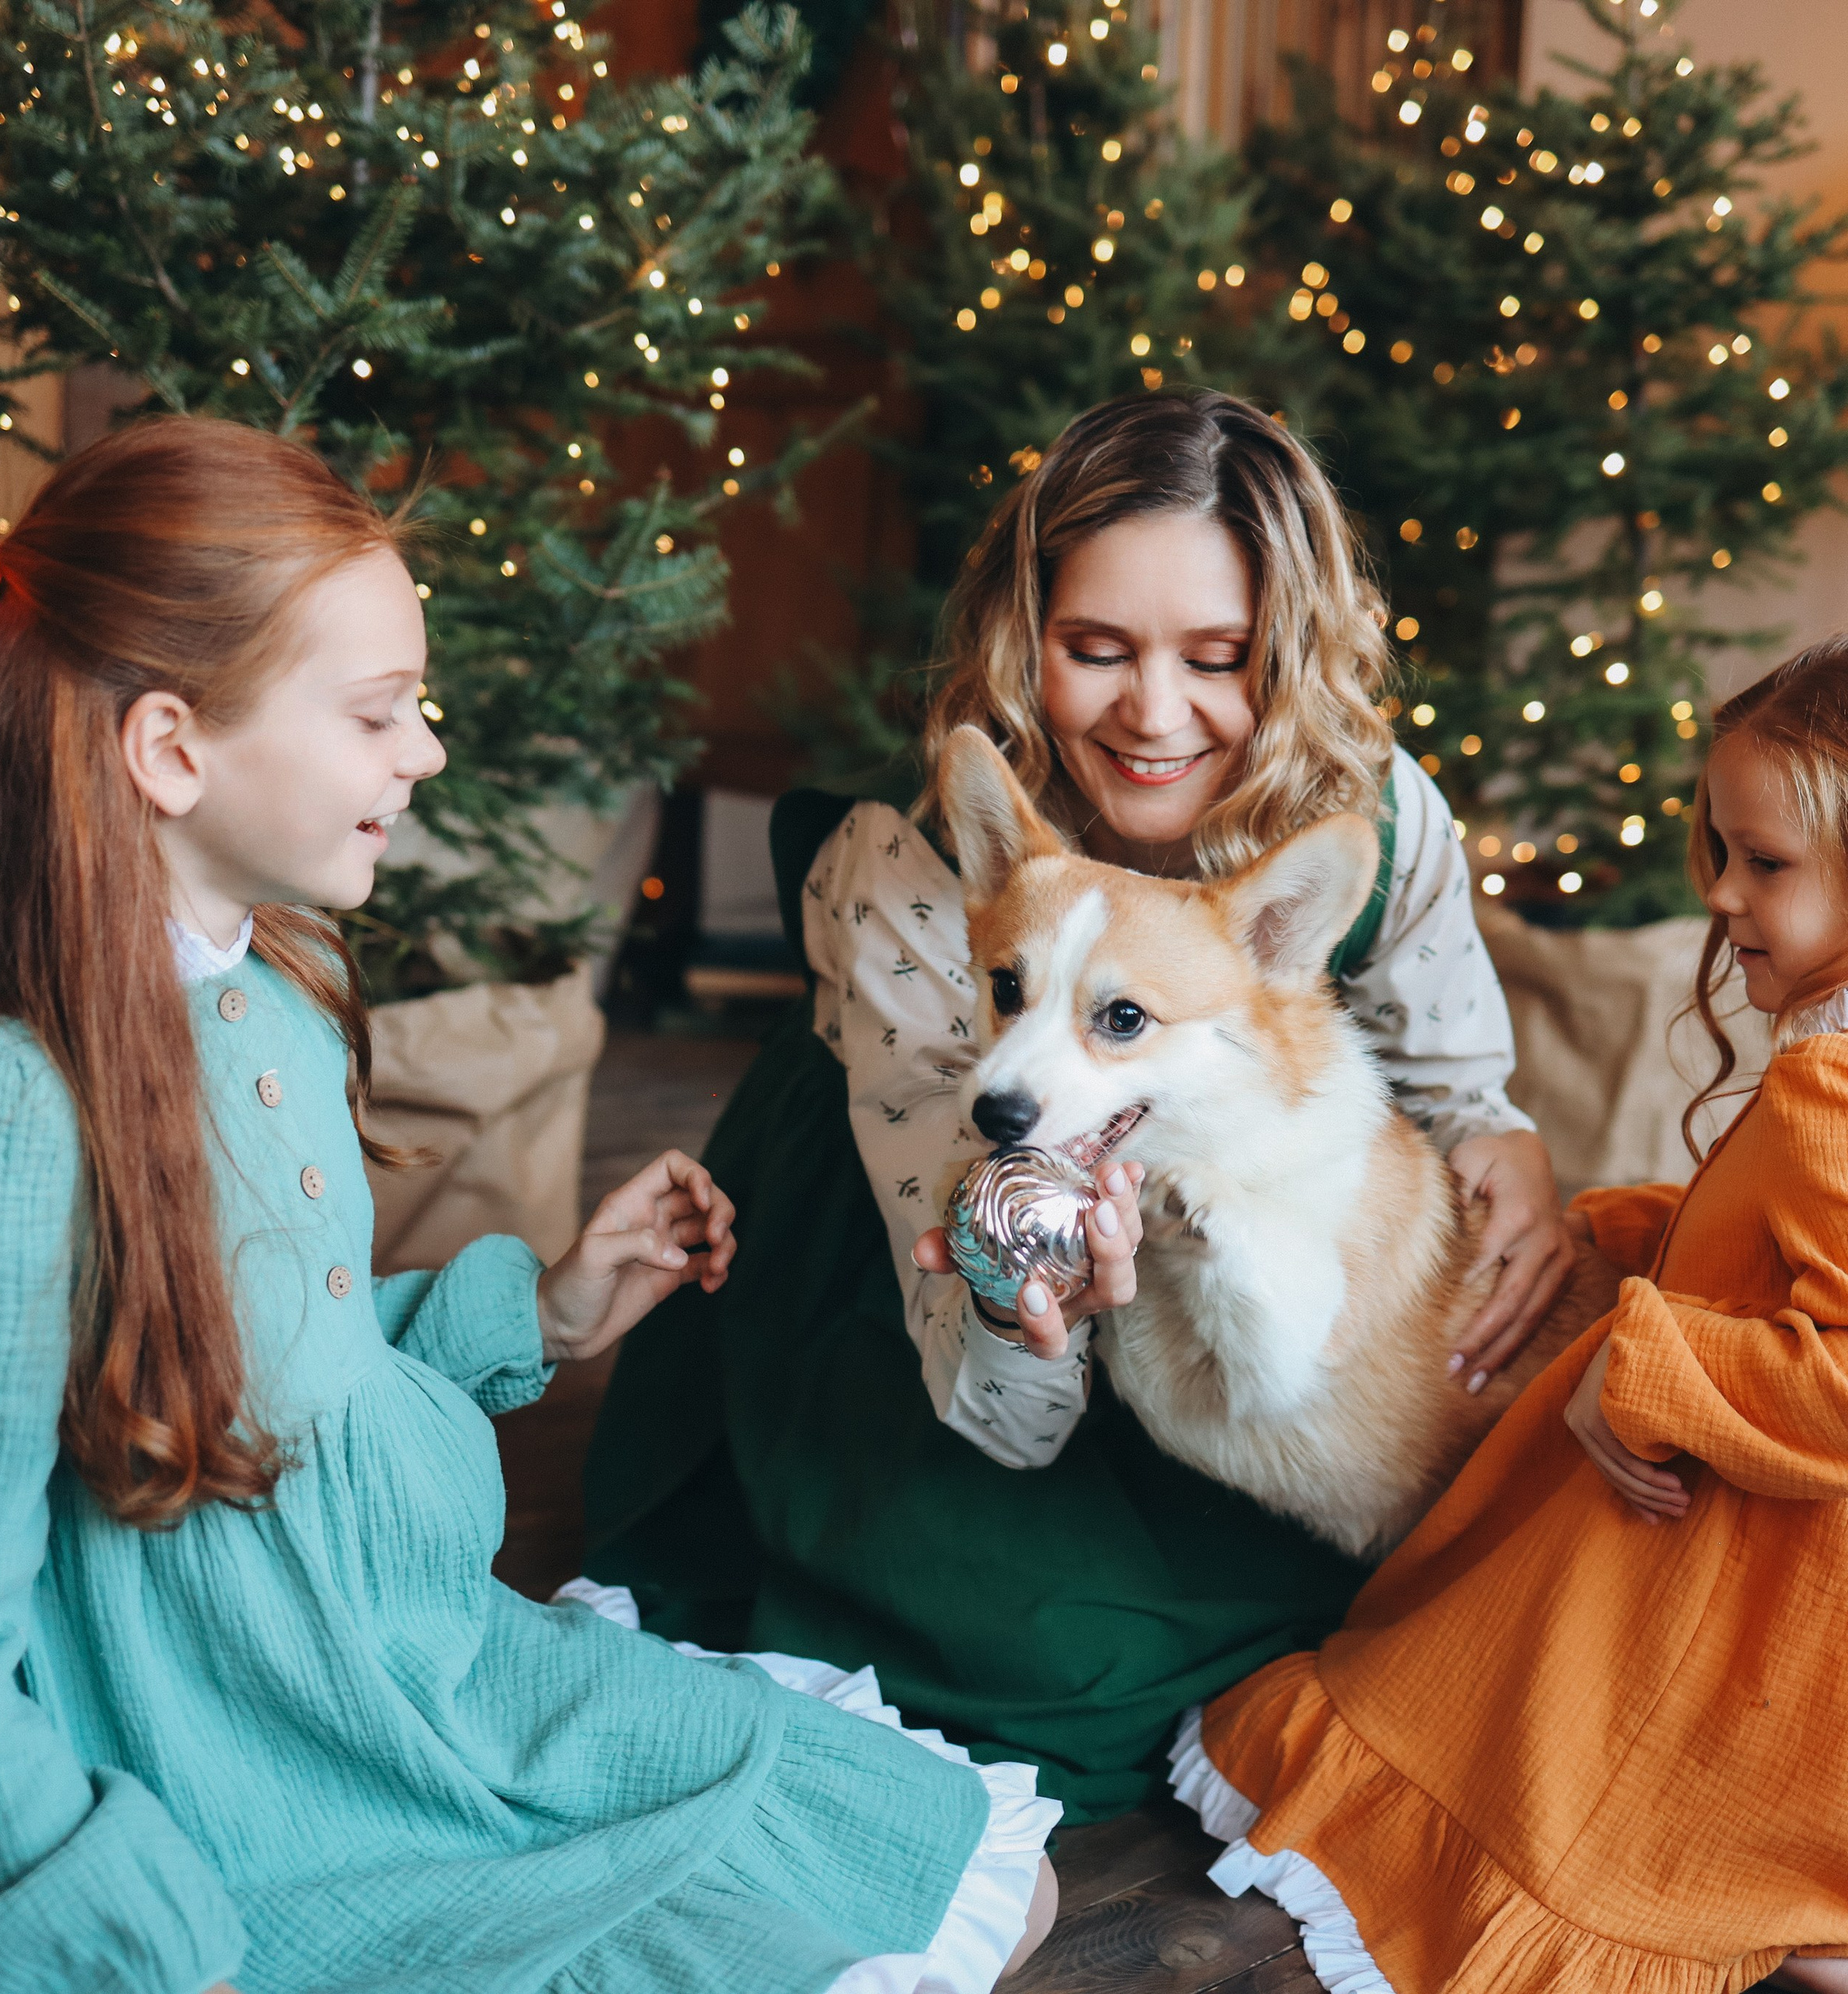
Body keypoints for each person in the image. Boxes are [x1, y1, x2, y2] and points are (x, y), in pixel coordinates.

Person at [0, 417, 1058, 1994]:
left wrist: (545, 1307)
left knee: (975, 1864)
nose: (422, 752)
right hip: (260, 1762)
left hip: (428, 1651)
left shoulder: (279, 986)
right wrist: (110, 1904)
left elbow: (286, 1358)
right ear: (171, 748)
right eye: (376, 714)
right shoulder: (29, 1109)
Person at [583, 388, 1572, 1822]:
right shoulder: (914, 869)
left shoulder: (1370, 811)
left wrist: (1503, 1139)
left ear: (1284, 654)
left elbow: (1448, 1064)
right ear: (1021, 636)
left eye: (1218, 658)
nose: (1154, 713)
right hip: (904, 1235)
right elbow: (994, 1351)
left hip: (1205, 1239)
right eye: (1095, 648)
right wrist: (1025, 1310)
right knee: (1044, 1680)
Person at [1170, 620, 1848, 1994]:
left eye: (1766, 864)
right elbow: (1823, 1263)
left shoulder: (1843, 1084)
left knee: (1480, 1734)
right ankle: (1834, 1916)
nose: (1722, 897)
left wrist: (1644, 1365)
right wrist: (1638, 1233)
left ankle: (1798, 1927)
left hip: (1755, 1550)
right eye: (1720, 851)